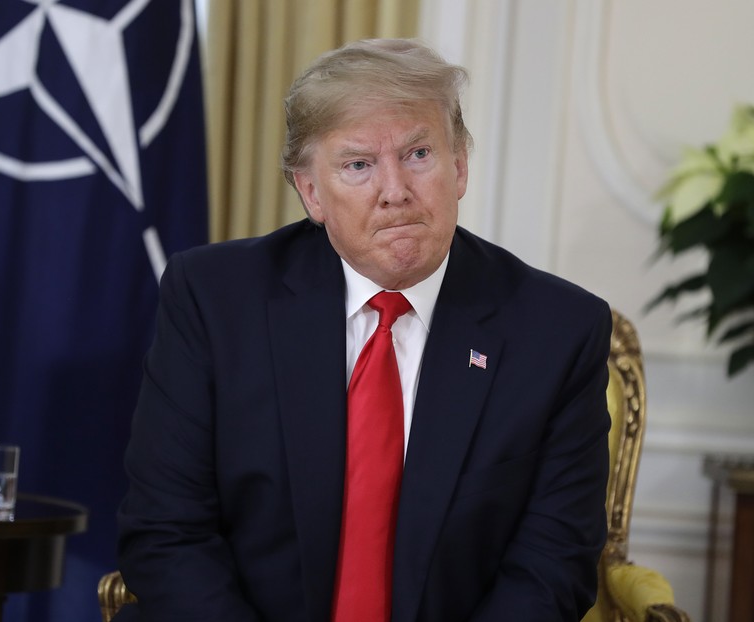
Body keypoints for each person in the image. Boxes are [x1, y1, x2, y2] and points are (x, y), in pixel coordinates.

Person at [115, 38, 611, 622]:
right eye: (358, 165)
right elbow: (167, 531)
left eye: (419, 153)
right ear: (311, 192)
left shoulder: (555, 331)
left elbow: (551, 567)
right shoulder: (216, 299)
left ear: (460, 166)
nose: (395, 191)